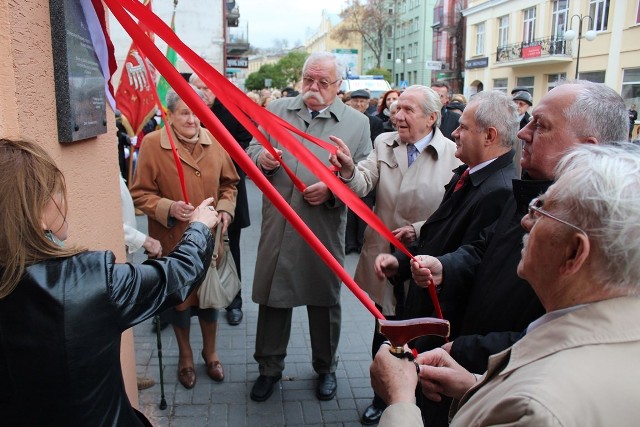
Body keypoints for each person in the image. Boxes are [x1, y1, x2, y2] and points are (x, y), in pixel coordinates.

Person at [408, 81, 629, 426]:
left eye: (541, 125)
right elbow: (487, 247)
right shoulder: (528, 189)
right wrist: (446, 267)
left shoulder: (595, 228)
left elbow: (556, 331)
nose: (523, 133)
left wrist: (466, 355)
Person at [372, 142, 640, 426]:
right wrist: (475, 386)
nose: (525, 221)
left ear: (574, 252)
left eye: (541, 209)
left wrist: (400, 400)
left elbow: (531, 406)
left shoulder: (536, 408)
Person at [0, 138, 220, 426]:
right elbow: (176, 276)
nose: (65, 201)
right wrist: (200, 228)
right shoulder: (88, 281)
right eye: (56, 192)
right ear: (37, 212)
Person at [329, 85, 460, 425]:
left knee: (420, 326)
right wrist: (347, 169)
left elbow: (454, 209)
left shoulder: (453, 153)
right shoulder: (383, 143)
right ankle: (383, 397)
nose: (397, 115)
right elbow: (362, 185)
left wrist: (419, 227)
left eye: (407, 110)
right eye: (396, 108)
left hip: (425, 260)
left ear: (433, 117)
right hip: (383, 257)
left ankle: (415, 397)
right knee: (384, 328)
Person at [246, 51, 371, 403]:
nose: (313, 88)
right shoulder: (278, 110)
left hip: (323, 226)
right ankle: (269, 369)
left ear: (339, 86)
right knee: (273, 297)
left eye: (323, 82)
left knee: (325, 299)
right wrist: (263, 159)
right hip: (280, 224)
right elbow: (253, 149)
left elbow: (361, 179)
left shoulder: (357, 123)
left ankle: (326, 367)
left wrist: (332, 191)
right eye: (308, 80)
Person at [130, 87, 239, 390]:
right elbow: (139, 193)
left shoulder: (215, 141)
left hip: (208, 238)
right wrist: (168, 207)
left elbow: (230, 184)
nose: (192, 119)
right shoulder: (153, 144)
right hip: (172, 240)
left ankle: (211, 353)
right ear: (170, 115)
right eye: (185, 112)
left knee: (208, 300)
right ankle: (186, 358)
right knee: (180, 302)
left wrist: (226, 210)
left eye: (197, 111)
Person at [190, 73, 251, 326]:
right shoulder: (186, 109)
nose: (203, 91)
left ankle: (234, 302)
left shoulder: (233, 110)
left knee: (229, 248)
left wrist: (221, 162)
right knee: (190, 247)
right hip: (193, 191)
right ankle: (182, 302)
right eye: (198, 87)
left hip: (228, 188)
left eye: (207, 86)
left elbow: (246, 143)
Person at [119, 175, 162, 390]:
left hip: (123, 249)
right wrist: (142, 239)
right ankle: (124, 377)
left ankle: (126, 373)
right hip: (117, 251)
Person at [344, 89, 384, 255]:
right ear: (351, 101)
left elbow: (375, 144)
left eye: (362, 102)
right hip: (347, 167)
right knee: (347, 210)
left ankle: (361, 242)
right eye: (356, 101)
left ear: (368, 103)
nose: (359, 104)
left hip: (366, 166)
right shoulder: (345, 119)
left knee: (364, 209)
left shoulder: (374, 121)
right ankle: (348, 243)